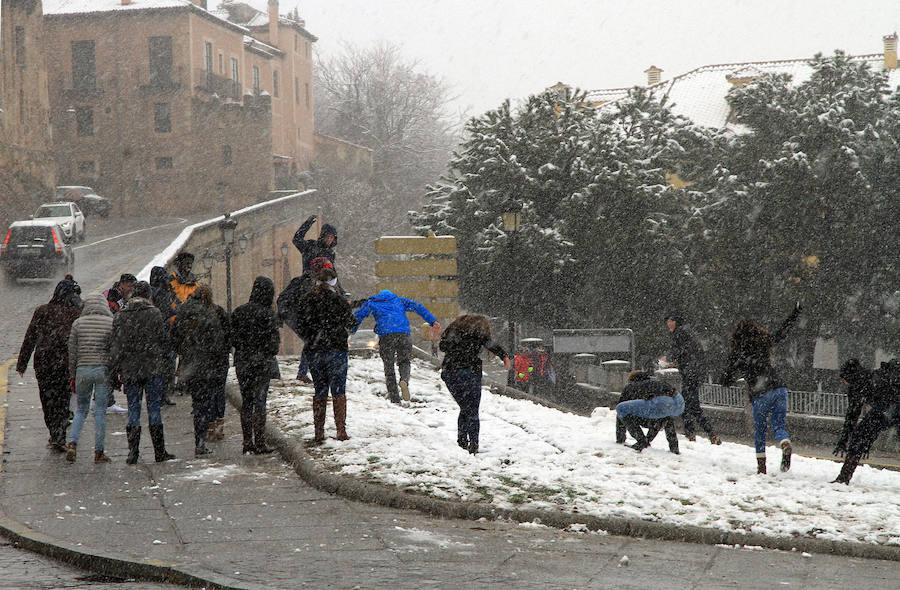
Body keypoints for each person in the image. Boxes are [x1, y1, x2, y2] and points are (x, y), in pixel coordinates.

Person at [719, 302, 802, 474]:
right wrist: (795, 313)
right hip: (779, 388)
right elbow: (782, 332)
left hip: (760, 393)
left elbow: (726, 378)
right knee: (779, 426)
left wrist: (730, 378)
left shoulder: (738, 352)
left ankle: (761, 468)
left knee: (760, 432)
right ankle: (784, 442)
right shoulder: (764, 341)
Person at [109, 280, 175, 464]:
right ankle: (159, 452)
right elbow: (163, 341)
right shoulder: (154, 313)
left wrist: (113, 371)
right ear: (148, 296)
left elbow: (116, 346)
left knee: (134, 409)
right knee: (154, 408)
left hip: (130, 370)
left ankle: (133, 452)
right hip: (152, 368)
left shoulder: (121, 316)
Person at [17, 277, 83, 452]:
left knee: (47, 399)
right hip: (65, 364)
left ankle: (55, 433)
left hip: (44, 363)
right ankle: (59, 433)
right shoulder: (75, 314)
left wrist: (22, 363)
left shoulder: (42, 311)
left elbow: (30, 338)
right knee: (63, 399)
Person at [295, 264, 357, 443]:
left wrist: (312, 337)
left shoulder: (306, 300)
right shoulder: (339, 301)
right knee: (338, 390)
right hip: (337, 350)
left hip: (315, 351)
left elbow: (300, 325)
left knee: (320, 390)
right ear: (333, 282)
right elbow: (351, 323)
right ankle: (341, 431)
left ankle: (319, 432)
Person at [352, 289, 440, 403]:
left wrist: (352, 329)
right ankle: (404, 380)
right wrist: (433, 321)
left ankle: (395, 398)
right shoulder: (399, 300)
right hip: (403, 334)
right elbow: (418, 307)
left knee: (388, 367)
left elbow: (359, 315)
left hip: (386, 336)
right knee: (404, 361)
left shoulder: (372, 302)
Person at [439, 314, 510, 454]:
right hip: (470, 372)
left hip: (450, 373)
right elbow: (490, 344)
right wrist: (504, 356)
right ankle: (473, 444)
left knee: (465, 407)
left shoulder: (451, 331)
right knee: (472, 410)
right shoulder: (477, 332)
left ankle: (462, 441)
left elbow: (442, 347)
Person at [172, 284, 229, 457]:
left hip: (190, 365)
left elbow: (174, 336)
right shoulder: (210, 314)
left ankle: (200, 439)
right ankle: (200, 442)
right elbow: (219, 343)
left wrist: (184, 352)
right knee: (204, 404)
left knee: (197, 403)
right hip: (207, 366)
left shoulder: (182, 311)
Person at [231, 276, 281, 454]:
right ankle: (260, 442)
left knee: (247, 402)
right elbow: (274, 345)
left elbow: (233, 338)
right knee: (260, 402)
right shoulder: (268, 314)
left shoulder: (239, 312)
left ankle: (247, 442)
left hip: (243, 362)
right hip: (262, 363)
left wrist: (246, 347)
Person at [832, 359, 900, 484]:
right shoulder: (871, 376)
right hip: (892, 404)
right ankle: (844, 477)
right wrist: (867, 441)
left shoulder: (858, 385)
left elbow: (853, 417)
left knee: (859, 435)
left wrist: (844, 441)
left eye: (844, 379)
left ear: (848, 377)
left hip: (890, 406)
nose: (844, 382)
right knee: (865, 431)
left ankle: (844, 477)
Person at [65, 293, 114, 463]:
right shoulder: (111, 322)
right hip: (102, 370)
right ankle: (98, 451)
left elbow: (72, 352)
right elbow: (113, 349)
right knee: (100, 411)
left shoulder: (78, 324)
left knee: (81, 409)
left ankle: (72, 443)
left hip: (82, 370)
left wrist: (72, 375)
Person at [278, 256, 337, 384]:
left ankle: (305, 371)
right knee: (311, 340)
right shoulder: (305, 282)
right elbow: (287, 299)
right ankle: (303, 372)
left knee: (311, 340)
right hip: (293, 315)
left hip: (299, 315)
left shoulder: (314, 282)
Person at [662, 313, 720, 445]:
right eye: (668, 321)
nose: (668, 324)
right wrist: (676, 361)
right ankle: (704, 434)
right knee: (690, 405)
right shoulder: (686, 331)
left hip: (691, 373)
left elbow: (683, 350)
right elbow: (689, 352)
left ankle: (700, 434)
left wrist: (669, 358)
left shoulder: (680, 332)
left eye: (671, 321)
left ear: (677, 321)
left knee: (689, 404)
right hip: (695, 372)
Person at [615, 371, 684, 453]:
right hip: (678, 401)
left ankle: (642, 441)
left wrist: (620, 437)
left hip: (657, 405)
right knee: (665, 416)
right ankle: (674, 448)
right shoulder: (656, 383)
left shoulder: (631, 386)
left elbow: (621, 412)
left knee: (621, 409)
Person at [150, 265, 177, 407]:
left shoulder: (152, 292)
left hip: (158, 335)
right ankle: (163, 395)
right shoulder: (161, 292)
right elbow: (166, 310)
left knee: (162, 367)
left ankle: (161, 395)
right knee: (166, 366)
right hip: (164, 334)